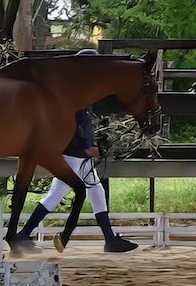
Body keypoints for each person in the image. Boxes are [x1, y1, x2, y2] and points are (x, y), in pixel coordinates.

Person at [18, 50, 139, 254]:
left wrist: (88, 144)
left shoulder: (79, 86)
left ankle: (110, 239)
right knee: (55, 195)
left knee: (96, 191)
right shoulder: (72, 89)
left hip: (78, 153)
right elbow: (70, 121)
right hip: (73, 152)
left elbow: (82, 120)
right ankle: (23, 235)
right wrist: (84, 145)